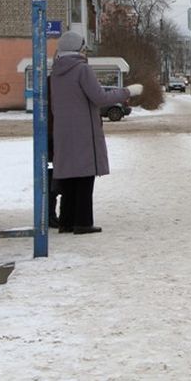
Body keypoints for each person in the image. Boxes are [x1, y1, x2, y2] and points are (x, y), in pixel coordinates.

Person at [50, 31, 142, 234]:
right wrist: (128, 91)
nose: (85, 50)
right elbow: (99, 97)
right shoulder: (82, 69)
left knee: (68, 178)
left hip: (63, 131)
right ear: (78, 48)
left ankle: (66, 221)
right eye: (83, 47)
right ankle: (82, 222)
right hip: (84, 131)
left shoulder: (56, 71)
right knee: (84, 177)